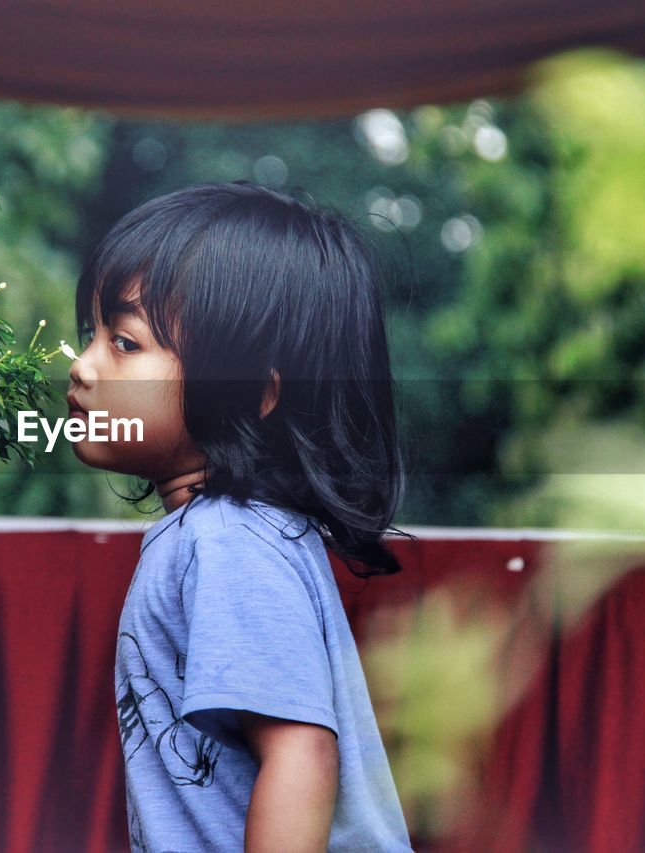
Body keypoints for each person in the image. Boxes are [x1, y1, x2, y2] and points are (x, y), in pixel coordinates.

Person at [66, 180, 416, 852]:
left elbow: (300, 755)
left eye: (126, 342)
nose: (83, 367)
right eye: (93, 334)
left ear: (254, 392)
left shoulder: (228, 540)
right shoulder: (229, 534)